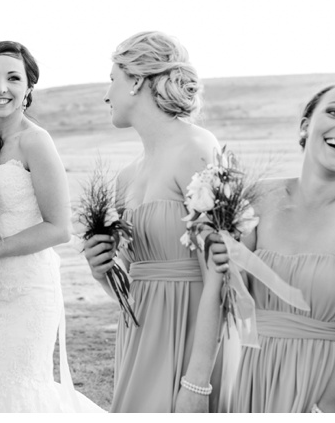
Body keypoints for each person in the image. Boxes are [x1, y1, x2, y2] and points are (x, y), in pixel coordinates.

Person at [187, 79, 335, 413]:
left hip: (332, 387)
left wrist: (326, 412)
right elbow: (227, 296)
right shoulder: (259, 196)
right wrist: (196, 386)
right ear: (305, 126)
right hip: (258, 378)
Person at [0, 41, 101, 412]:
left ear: (29, 88)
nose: (1, 87)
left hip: (27, 292)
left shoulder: (35, 141)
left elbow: (59, 228)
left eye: (13, 78)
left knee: (16, 391)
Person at [82, 31, 228, 412]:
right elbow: (134, 292)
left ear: (135, 80)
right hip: (140, 343)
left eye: (112, 78)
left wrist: (197, 384)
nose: (107, 94)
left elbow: (221, 276)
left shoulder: (197, 148)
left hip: (191, 345)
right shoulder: (126, 178)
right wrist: (102, 273)